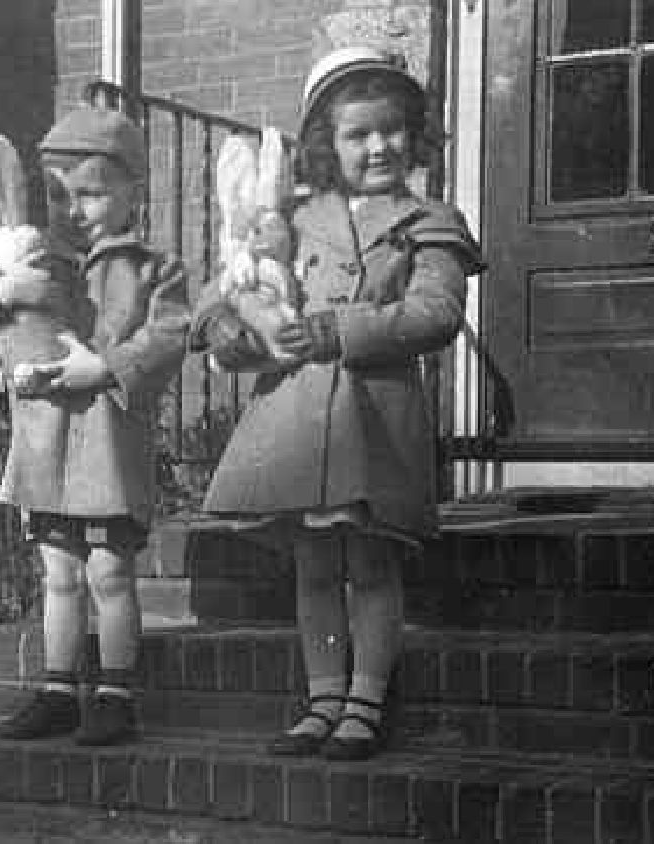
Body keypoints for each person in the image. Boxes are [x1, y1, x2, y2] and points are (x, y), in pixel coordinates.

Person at [191, 47, 485, 761]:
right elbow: (217, 300)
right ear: (327, 144)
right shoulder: (288, 217)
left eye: (391, 130)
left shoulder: (428, 220)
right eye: (358, 134)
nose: (379, 146)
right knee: (316, 564)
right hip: (296, 417)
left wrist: (334, 328)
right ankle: (322, 698)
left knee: (372, 563)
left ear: (414, 135)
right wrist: (242, 333)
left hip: (373, 417)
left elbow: (436, 313)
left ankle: (365, 701)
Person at [0, 107, 190, 745]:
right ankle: (57, 688)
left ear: (133, 191)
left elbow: (168, 337)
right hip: (44, 448)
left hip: (108, 447)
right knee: (58, 573)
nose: (73, 209)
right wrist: (3, 290)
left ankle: (114, 694)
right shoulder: (32, 256)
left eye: (91, 193)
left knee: (108, 572)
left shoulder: (151, 268)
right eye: (60, 194)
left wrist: (105, 368)